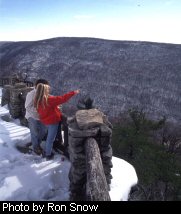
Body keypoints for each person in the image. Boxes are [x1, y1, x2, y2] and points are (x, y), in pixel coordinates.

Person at [34, 83, 80, 160]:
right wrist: (73, 92)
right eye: (47, 89)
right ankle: (47, 154)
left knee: (50, 137)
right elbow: (63, 98)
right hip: (52, 122)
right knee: (50, 139)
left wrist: (55, 107)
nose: (49, 91)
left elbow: (45, 109)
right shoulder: (49, 100)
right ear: (44, 91)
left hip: (46, 121)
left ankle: (49, 149)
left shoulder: (37, 100)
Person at [25, 79, 49, 155]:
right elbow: (28, 107)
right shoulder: (31, 94)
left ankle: (35, 143)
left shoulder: (45, 93)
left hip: (42, 116)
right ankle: (36, 147)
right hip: (32, 116)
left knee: (44, 130)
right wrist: (39, 112)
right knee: (34, 132)